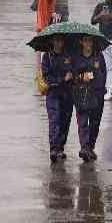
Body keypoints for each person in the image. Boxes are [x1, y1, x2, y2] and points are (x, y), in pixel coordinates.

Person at [72, 36, 107, 161]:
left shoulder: (99, 56)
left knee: (95, 123)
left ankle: (90, 147)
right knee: (82, 122)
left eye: (90, 40)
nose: (88, 43)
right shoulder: (76, 57)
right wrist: (82, 77)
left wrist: (101, 88)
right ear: (81, 41)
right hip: (81, 94)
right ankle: (84, 147)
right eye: (85, 40)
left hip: (97, 94)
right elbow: (72, 75)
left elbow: (104, 73)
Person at [41, 35, 75, 163]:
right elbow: (47, 78)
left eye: (61, 40)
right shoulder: (47, 57)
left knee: (65, 121)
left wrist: (72, 75)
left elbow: (74, 71)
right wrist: (62, 79)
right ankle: (53, 149)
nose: (59, 43)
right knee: (54, 120)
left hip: (68, 94)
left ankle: (60, 147)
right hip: (53, 94)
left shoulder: (69, 55)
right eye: (56, 40)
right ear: (52, 41)